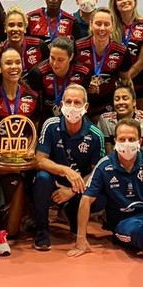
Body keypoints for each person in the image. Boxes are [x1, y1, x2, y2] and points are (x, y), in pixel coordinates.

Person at [68, 119, 143, 257]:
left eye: (131, 139)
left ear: (140, 141)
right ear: (115, 141)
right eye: (122, 139)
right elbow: (86, 200)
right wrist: (81, 239)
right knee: (136, 232)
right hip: (124, 223)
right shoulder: (104, 166)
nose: (127, 143)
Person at [0, 47, 41, 257]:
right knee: (2, 173)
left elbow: (35, 127)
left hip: (21, 155)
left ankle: (10, 227)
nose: (13, 67)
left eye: (17, 62)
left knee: (15, 230)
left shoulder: (32, 97)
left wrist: (31, 149)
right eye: (8, 63)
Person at [32, 84, 104, 250]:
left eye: (77, 103)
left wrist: (72, 191)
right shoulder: (51, 125)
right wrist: (65, 171)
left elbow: (97, 172)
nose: (72, 107)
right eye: (68, 101)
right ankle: (42, 230)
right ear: (61, 104)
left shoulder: (95, 134)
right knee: (42, 177)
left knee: (101, 196)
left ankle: (72, 214)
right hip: (55, 180)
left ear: (85, 107)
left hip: (79, 185)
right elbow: (39, 160)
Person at [74, 8, 131, 118]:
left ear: (112, 26)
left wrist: (133, 107)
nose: (102, 28)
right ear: (91, 25)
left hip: (107, 104)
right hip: (80, 103)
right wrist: (85, 85)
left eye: (106, 24)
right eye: (98, 24)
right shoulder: (77, 47)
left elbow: (126, 81)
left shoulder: (122, 51)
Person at [109, 0, 143, 113]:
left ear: (134, 0)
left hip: (141, 83)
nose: (124, 1)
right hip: (116, 84)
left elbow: (142, 61)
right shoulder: (110, 26)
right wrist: (121, 82)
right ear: (115, 4)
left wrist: (126, 79)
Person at [24, 35, 92, 120]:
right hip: (46, 116)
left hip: (73, 116)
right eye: (52, 58)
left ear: (70, 57)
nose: (55, 64)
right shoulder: (38, 73)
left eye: (60, 60)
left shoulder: (83, 74)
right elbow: (36, 106)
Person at [97, 84, 143, 151]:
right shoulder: (105, 120)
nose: (120, 102)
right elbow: (108, 152)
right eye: (117, 99)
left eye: (125, 98)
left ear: (134, 102)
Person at [1, 6, 46, 71]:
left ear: (25, 28)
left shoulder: (39, 45)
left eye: (20, 25)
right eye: (11, 25)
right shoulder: (0, 52)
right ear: (5, 28)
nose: (16, 29)